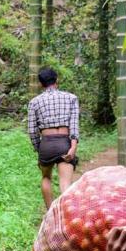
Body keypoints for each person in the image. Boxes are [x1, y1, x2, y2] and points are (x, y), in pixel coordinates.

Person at [27, 66, 80, 210]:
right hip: (64, 142)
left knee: (46, 178)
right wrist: (73, 147)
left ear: (41, 84)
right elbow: (74, 125)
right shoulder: (71, 98)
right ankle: (67, 214)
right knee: (65, 183)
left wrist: (39, 148)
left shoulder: (34, 102)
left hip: (46, 144)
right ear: (56, 80)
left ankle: (51, 213)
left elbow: (32, 131)